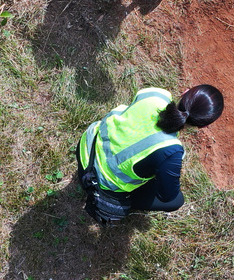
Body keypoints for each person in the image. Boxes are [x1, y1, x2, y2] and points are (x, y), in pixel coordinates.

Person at [76, 85, 224, 225]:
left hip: (86, 146)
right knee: (177, 201)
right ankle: (111, 199)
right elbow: (167, 196)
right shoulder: (170, 150)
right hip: (99, 182)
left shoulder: (155, 94)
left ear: (185, 92)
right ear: (203, 126)